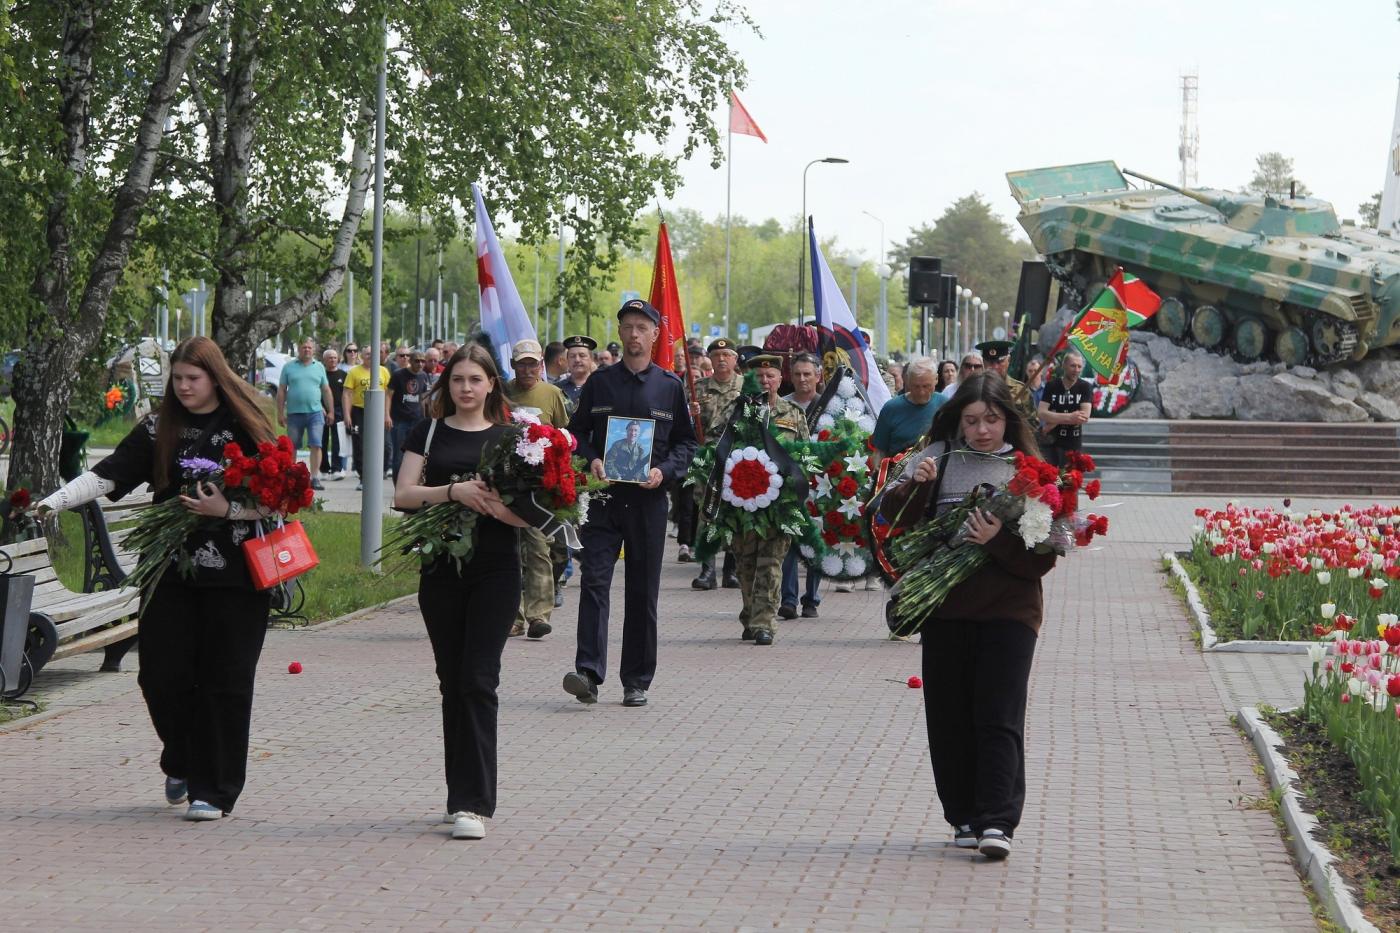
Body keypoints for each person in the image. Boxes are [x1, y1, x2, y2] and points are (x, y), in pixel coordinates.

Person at [35, 336, 279, 822]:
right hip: (170, 569)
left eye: (194, 378)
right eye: (178, 378)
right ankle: (183, 759)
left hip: (237, 575)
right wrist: (55, 501)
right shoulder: (157, 427)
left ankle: (215, 790)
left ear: (215, 378)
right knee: (160, 675)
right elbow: (108, 474)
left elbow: (280, 498)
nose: (184, 387)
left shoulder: (244, 428)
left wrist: (226, 509)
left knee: (225, 682)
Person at [881, 372, 1057, 860]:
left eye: (992, 420)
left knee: (999, 714)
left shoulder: (1031, 472)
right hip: (946, 610)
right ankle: (962, 813)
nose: (982, 430)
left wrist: (995, 540)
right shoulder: (936, 460)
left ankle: (997, 820)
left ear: (1008, 421)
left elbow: (1043, 556)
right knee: (949, 715)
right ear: (957, 421)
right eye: (973, 421)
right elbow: (891, 526)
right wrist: (913, 489)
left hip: (1009, 611)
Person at [394, 344, 530, 841]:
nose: (466, 388)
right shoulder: (426, 431)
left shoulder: (515, 438)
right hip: (440, 569)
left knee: (478, 678)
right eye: (457, 380)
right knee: (452, 681)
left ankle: (475, 803)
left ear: (492, 384)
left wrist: (494, 506)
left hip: (495, 570)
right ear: (446, 385)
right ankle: (458, 796)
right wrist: (454, 492)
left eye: (475, 379)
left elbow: (532, 516)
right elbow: (403, 494)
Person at [562, 299, 697, 708]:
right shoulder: (600, 384)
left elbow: (687, 444)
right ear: (619, 333)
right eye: (628, 327)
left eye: (642, 327)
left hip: (648, 501)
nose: (635, 334)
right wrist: (594, 458)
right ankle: (588, 671)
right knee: (594, 581)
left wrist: (665, 471)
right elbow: (577, 434)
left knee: (642, 591)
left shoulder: (669, 387)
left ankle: (636, 679)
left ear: (656, 335)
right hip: (604, 499)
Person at [732, 354, 810, 646]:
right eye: (760, 377)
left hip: (779, 503)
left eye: (771, 376)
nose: (765, 381)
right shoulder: (739, 411)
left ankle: (765, 621)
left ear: (780, 379)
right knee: (745, 562)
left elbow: (804, 452)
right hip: (742, 501)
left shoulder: (793, 412)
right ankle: (750, 613)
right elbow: (720, 448)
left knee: (771, 561)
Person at [503, 338, 570, 639]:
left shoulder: (553, 394)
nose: (527, 369)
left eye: (533, 363)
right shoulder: (503, 393)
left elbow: (565, 435)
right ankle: (511, 616)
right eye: (522, 363)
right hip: (506, 483)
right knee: (509, 550)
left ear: (541, 364)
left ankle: (538, 614)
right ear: (513, 365)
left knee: (539, 548)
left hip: (541, 485)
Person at [689, 337, 743, 591]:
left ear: (735, 359)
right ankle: (707, 570)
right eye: (717, 355)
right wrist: (692, 416)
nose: (722, 359)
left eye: (727, 355)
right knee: (706, 513)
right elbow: (684, 428)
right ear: (709, 359)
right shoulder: (697, 388)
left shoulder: (747, 387)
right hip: (708, 460)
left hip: (737, 460)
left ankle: (731, 570)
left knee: (734, 513)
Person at [779, 351, 823, 618]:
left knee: (814, 541)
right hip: (787, 485)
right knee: (789, 543)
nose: (803, 379)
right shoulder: (781, 406)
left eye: (808, 374)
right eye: (797, 374)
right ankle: (788, 599)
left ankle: (812, 599)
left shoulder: (829, 406)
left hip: (821, 485)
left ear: (818, 376)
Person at [276, 337, 333, 490]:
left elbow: (326, 390)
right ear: (299, 349)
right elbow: (281, 390)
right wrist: (280, 413)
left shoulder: (319, 367)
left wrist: (331, 411)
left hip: (315, 413)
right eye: (303, 347)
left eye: (309, 347)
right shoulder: (289, 367)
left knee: (316, 444)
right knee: (292, 446)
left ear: (313, 350)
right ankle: (293, 478)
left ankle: (314, 478)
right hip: (294, 414)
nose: (306, 350)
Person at [870, 357, 943, 469]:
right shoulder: (891, 408)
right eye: (916, 386)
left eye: (926, 386)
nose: (921, 392)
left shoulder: (945, 405)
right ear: (907, 380)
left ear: (936, 379)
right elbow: (879, 452)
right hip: (898, 477)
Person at [343, 348, 392, 491]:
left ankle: (379, 473)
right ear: (362, 356)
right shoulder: (354, 372)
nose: (370, 356)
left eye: (373, 353)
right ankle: (363, 477)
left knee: (385, 445)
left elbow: (389, 394)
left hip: (379, 411)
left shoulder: (383, 371)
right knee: (360, 444)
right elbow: (347, 394)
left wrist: (387, 414)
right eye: (367, 354)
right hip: (359, 411)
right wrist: (347, 414)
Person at [1037, 350, 1093, 467]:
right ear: (1064, 366)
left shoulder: (1085, 387)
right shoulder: (1052, 385)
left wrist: (1053, 418)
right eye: (1073, 366)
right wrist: (1070, 417)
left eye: (1079, 366)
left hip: (1072, 444)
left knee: (1067, 482)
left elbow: (1084, 417)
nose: (1076, 370)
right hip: (1051, 442)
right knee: (1052, 479)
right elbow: (1041, 413)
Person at [387, 348, 430, 482]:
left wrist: (426, 418)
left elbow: (423, 398)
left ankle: (412, 484)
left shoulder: (423, 376)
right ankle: (397, 485)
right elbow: (388, 395)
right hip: (400, 421)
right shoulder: (398, 375)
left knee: (416, 455)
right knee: (399, 457)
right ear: (410, 361)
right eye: (417, 361)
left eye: (423, 361)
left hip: (417, 420)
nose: (420, 364)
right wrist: (386, 416)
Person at [977, 340, 1036, 426]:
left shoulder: (1021, 390)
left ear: (1008, 360)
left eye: (999, 362)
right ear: (983, 362)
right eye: (990, 362)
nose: (995, 367)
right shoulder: (975, 388)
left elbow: (1033, 424)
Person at [321, 347, 347, 478]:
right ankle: (324, 469)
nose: (332, 360)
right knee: (322, 440)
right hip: (322, 410)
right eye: (330, 357)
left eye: (335, 357)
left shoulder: (343, 375)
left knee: (338, 441)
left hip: (339, 410)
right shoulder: (321, 374)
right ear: (324, 360)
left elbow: (347, 395)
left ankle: (337, 469)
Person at [553, 334, 596, 414]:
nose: (577, 360)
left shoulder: (600, 387)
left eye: (582, 356)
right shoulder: (556, 389)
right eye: (572, 356)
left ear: (591, 359)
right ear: (567, 360)